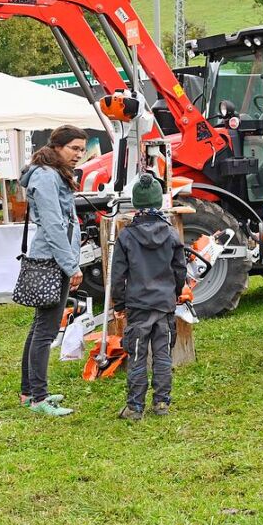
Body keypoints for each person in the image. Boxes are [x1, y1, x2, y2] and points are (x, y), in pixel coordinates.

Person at [17, 125, 87, 417]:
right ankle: (38, 399)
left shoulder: (51, 173)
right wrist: (71, 266)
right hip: (51, 261)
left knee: (39, 328)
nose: (79, 155)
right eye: (74, 148)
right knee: (45, 332)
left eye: (82, 149)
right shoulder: (46, 177)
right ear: (57, 146)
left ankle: (28, 392)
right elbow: (54, 225)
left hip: (52, 258)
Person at [111, 173, 186, 421]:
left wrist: (119, 303)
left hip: (138, 306)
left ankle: (134, 407)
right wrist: (175, 294)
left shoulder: (126, 236)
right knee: (162, 354)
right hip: (164, 305)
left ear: (135, 204)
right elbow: (180, 270)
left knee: (137, 354)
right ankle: (162, 403)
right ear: (159, 202)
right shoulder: (172, 233)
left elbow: (118, 274)